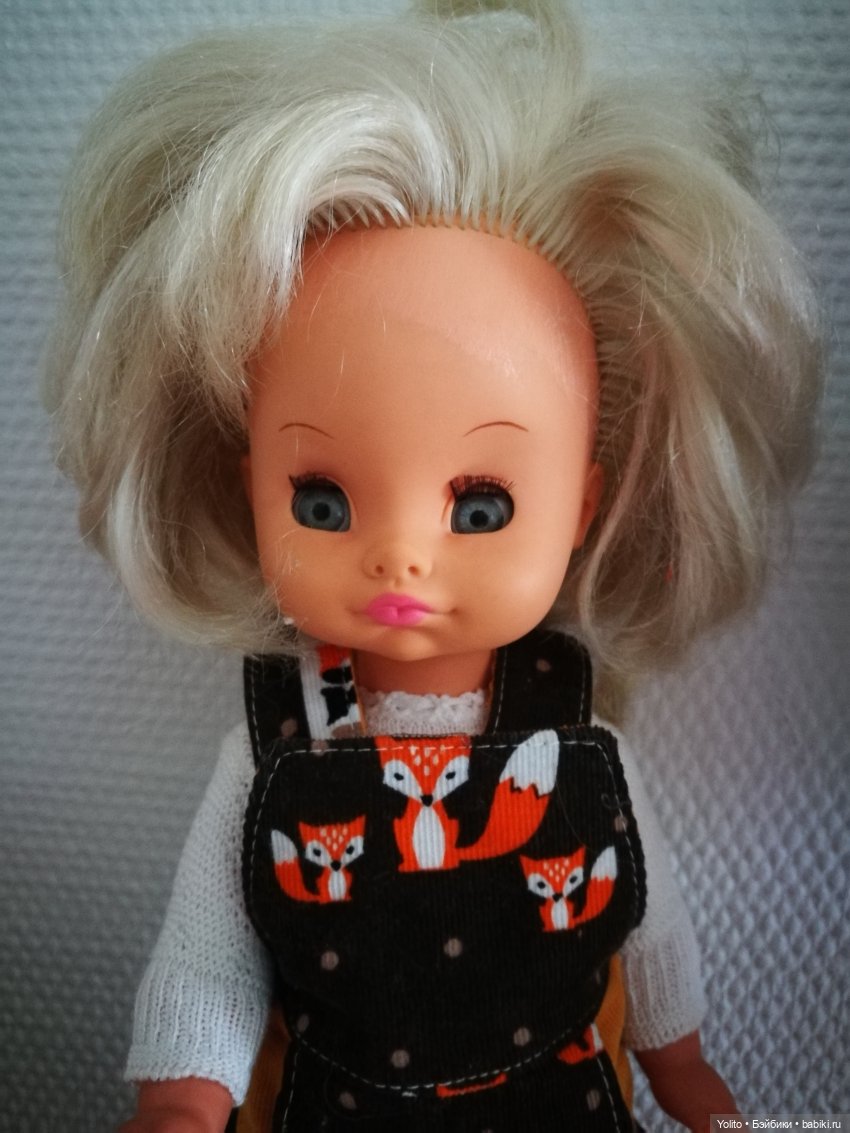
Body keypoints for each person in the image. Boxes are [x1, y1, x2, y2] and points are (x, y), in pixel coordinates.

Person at [45, 2, 820, 1130]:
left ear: (581, 507)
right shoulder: (274, 745)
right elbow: (210, 945)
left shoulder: (579, 736)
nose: (400, 553)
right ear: (245, 484)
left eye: (482, 505)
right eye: (322, 500)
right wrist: (183, 1087)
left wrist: (681, 1059)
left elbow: (646, 920)